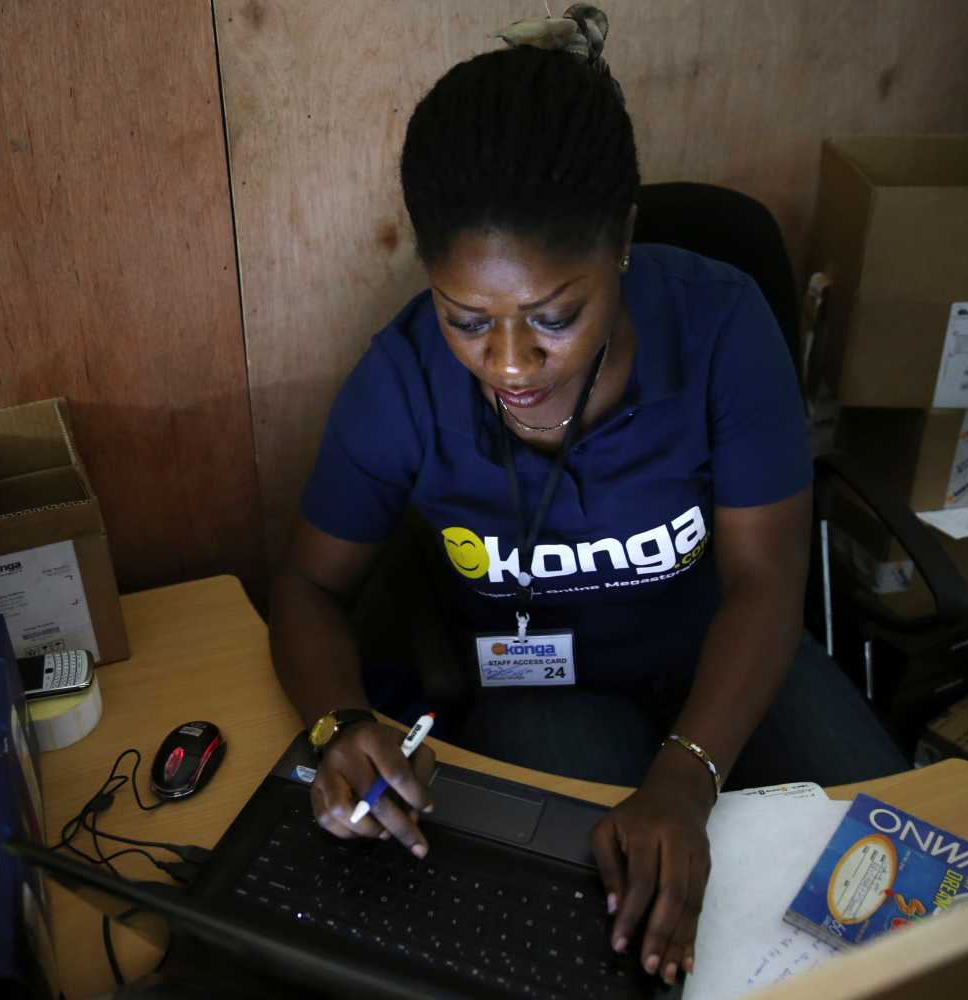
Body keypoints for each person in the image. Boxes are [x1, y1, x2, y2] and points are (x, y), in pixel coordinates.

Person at [267, 19, 907, 989]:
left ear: (624, 244)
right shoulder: (398, 385)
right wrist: (339, 726)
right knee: (582, 944)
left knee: (907, 889)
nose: (511, 365)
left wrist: (688, 776)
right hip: (543, 687)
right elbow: (308, 587)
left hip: (728, 647)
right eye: (466, 320)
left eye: (554, 316)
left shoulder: (721, 325)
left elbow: (765, 578)